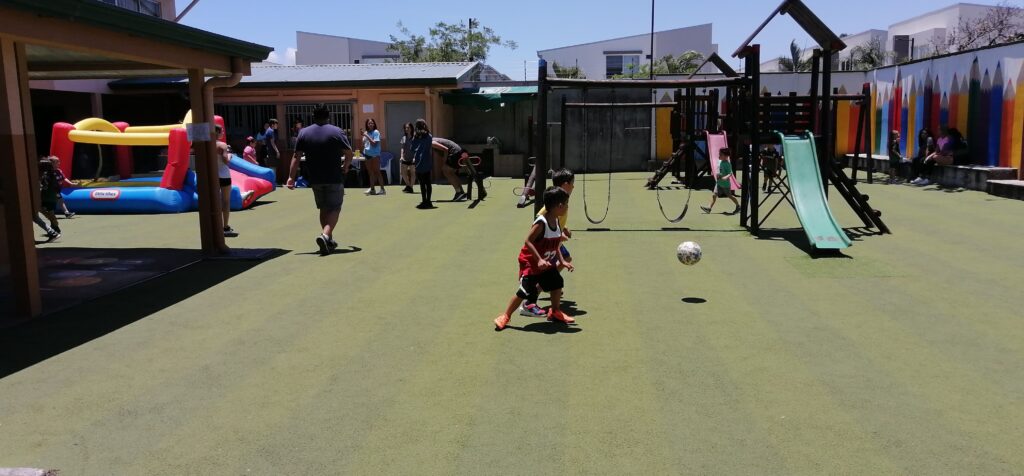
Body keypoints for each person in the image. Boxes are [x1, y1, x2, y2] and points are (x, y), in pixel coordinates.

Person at [493, 186, 576, 331]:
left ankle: (555, 312)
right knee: (524, 292)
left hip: (545, 263)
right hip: (531, 263)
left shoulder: (556, 221)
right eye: (566, 204)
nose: (567, 207)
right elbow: (528, 241)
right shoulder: (541, 222)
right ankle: (505, 316)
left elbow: (555, 245)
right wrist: (538, 259)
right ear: (559, 206)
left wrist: (562, 261)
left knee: (557, 282)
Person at [286, 104, 354, 256]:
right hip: (334, 177)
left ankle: (328, 240)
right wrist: (346, 166)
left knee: (323, 208)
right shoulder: (337, 132)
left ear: (313, 115)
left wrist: (291, 177)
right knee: (335, 207)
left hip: (315, 178)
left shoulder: (303, 133)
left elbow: (296, 156)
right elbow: (349, 153)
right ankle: (325, 235)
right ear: (328, 115)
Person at [520, 168, 575, 318]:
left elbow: (557, 221)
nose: (573, 186)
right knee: (535, 279)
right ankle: (533, 296)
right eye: (572, 183)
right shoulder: (551, 207)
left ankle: (547, 290)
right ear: (565, 185)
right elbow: (540, 222)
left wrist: (564, 230)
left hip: (555, 239)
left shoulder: (561, 203)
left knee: (564, 262)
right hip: (547, 242)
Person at [431, 137, 485, 201]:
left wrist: (445, 162)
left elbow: (445, 149)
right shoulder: (433, 139)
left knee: (446, 170)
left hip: (455, 154)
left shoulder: (432, 142)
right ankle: (461, 192)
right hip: (459, 152)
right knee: (451, 172)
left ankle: (459, 192)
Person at [700, 148, 741, 215]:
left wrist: (725, 177)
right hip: (718, 183)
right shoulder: (720, 161)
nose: (719, 155)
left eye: (721, 154)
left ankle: (738, 206)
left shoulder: (727, 164)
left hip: (725, 184)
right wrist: (715, 173)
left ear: (726, 156)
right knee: (714, 195)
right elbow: (718, 169)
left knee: (729, 195)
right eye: (719, 154)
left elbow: (730, 173)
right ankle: (709, 208)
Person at [36, 158, 62, 241]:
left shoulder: (46, 174)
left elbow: (46, 185)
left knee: (44, 211)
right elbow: (57, 186)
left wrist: (42, 186)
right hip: (51, 197)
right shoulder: (52, 173)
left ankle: (55, 228)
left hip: (48, 197)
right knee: (48, 212)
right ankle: (55, 227)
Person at [411, 119, 435, 209]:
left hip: (424, 162)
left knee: (426, 182)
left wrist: (418, 136)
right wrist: (416, 137)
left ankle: (427, 201)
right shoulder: (419, 137)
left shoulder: (428, 136)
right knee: (424, 182)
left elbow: (413, 148)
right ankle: (425, 201)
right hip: (420, 162)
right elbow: (412, 148)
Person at [361, 118, 386, 196]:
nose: (371, 124)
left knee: (377, 172)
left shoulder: (376, 132)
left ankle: (382, 189)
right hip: (367, 155)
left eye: (372, 123)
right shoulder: (366, 133)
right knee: (370, 172)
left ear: (374, 124)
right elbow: (364, 144)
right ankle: (372, 189)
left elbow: (374, 144)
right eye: (369, 123)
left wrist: (366, 135)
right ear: (367, 125)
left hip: (375, 155)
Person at [398, 122, 416, 193]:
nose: (407, 129)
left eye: (408, 127)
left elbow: (416, 148)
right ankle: (409, 186)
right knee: (402, 172)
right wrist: (401, 156)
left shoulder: (415, 138)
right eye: (405, 128)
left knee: (412, 173)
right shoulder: (403, 138)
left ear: (411, 128)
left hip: (413, 158)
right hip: (405, 158)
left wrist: (415, 157)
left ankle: (410, 187)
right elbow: (402, 148)